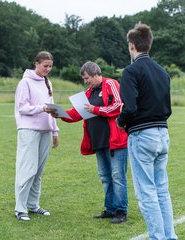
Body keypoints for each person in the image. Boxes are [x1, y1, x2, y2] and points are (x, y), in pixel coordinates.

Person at [116, 23, 178, 239]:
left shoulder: (131, 71)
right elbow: (167, 108)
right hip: (162, 133)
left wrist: (120, 121)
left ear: (132, 46)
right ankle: (169, 236)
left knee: (146, 193)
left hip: (143, 135)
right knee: (161, 190)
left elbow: (130, 107)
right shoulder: (163, 72)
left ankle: (158, 237)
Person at [49, 61, 128, 224]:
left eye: (87, 78)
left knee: (118, 176)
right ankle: (110, 209)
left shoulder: (111, 84)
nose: (86, 81)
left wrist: (96, 110)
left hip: (115, 140)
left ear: (95, 74)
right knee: (105, 176)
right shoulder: (89, 92)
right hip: (98, 141)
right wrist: (60, 114)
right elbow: (78, 113)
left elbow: (119, 106)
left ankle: (121, 211)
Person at [14, 51, 59, 221]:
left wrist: (55, 131)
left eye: (50, 66)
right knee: (27, 170)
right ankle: (20, 209)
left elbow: (52, 108)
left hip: (45, 131)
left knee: (38, 171)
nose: (48, 69)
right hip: (29, 131)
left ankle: (33, 205)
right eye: (45, 66)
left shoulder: (48, 82)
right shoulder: (25, 83)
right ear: (36, 63)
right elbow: (22, 108)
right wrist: (41, 108)